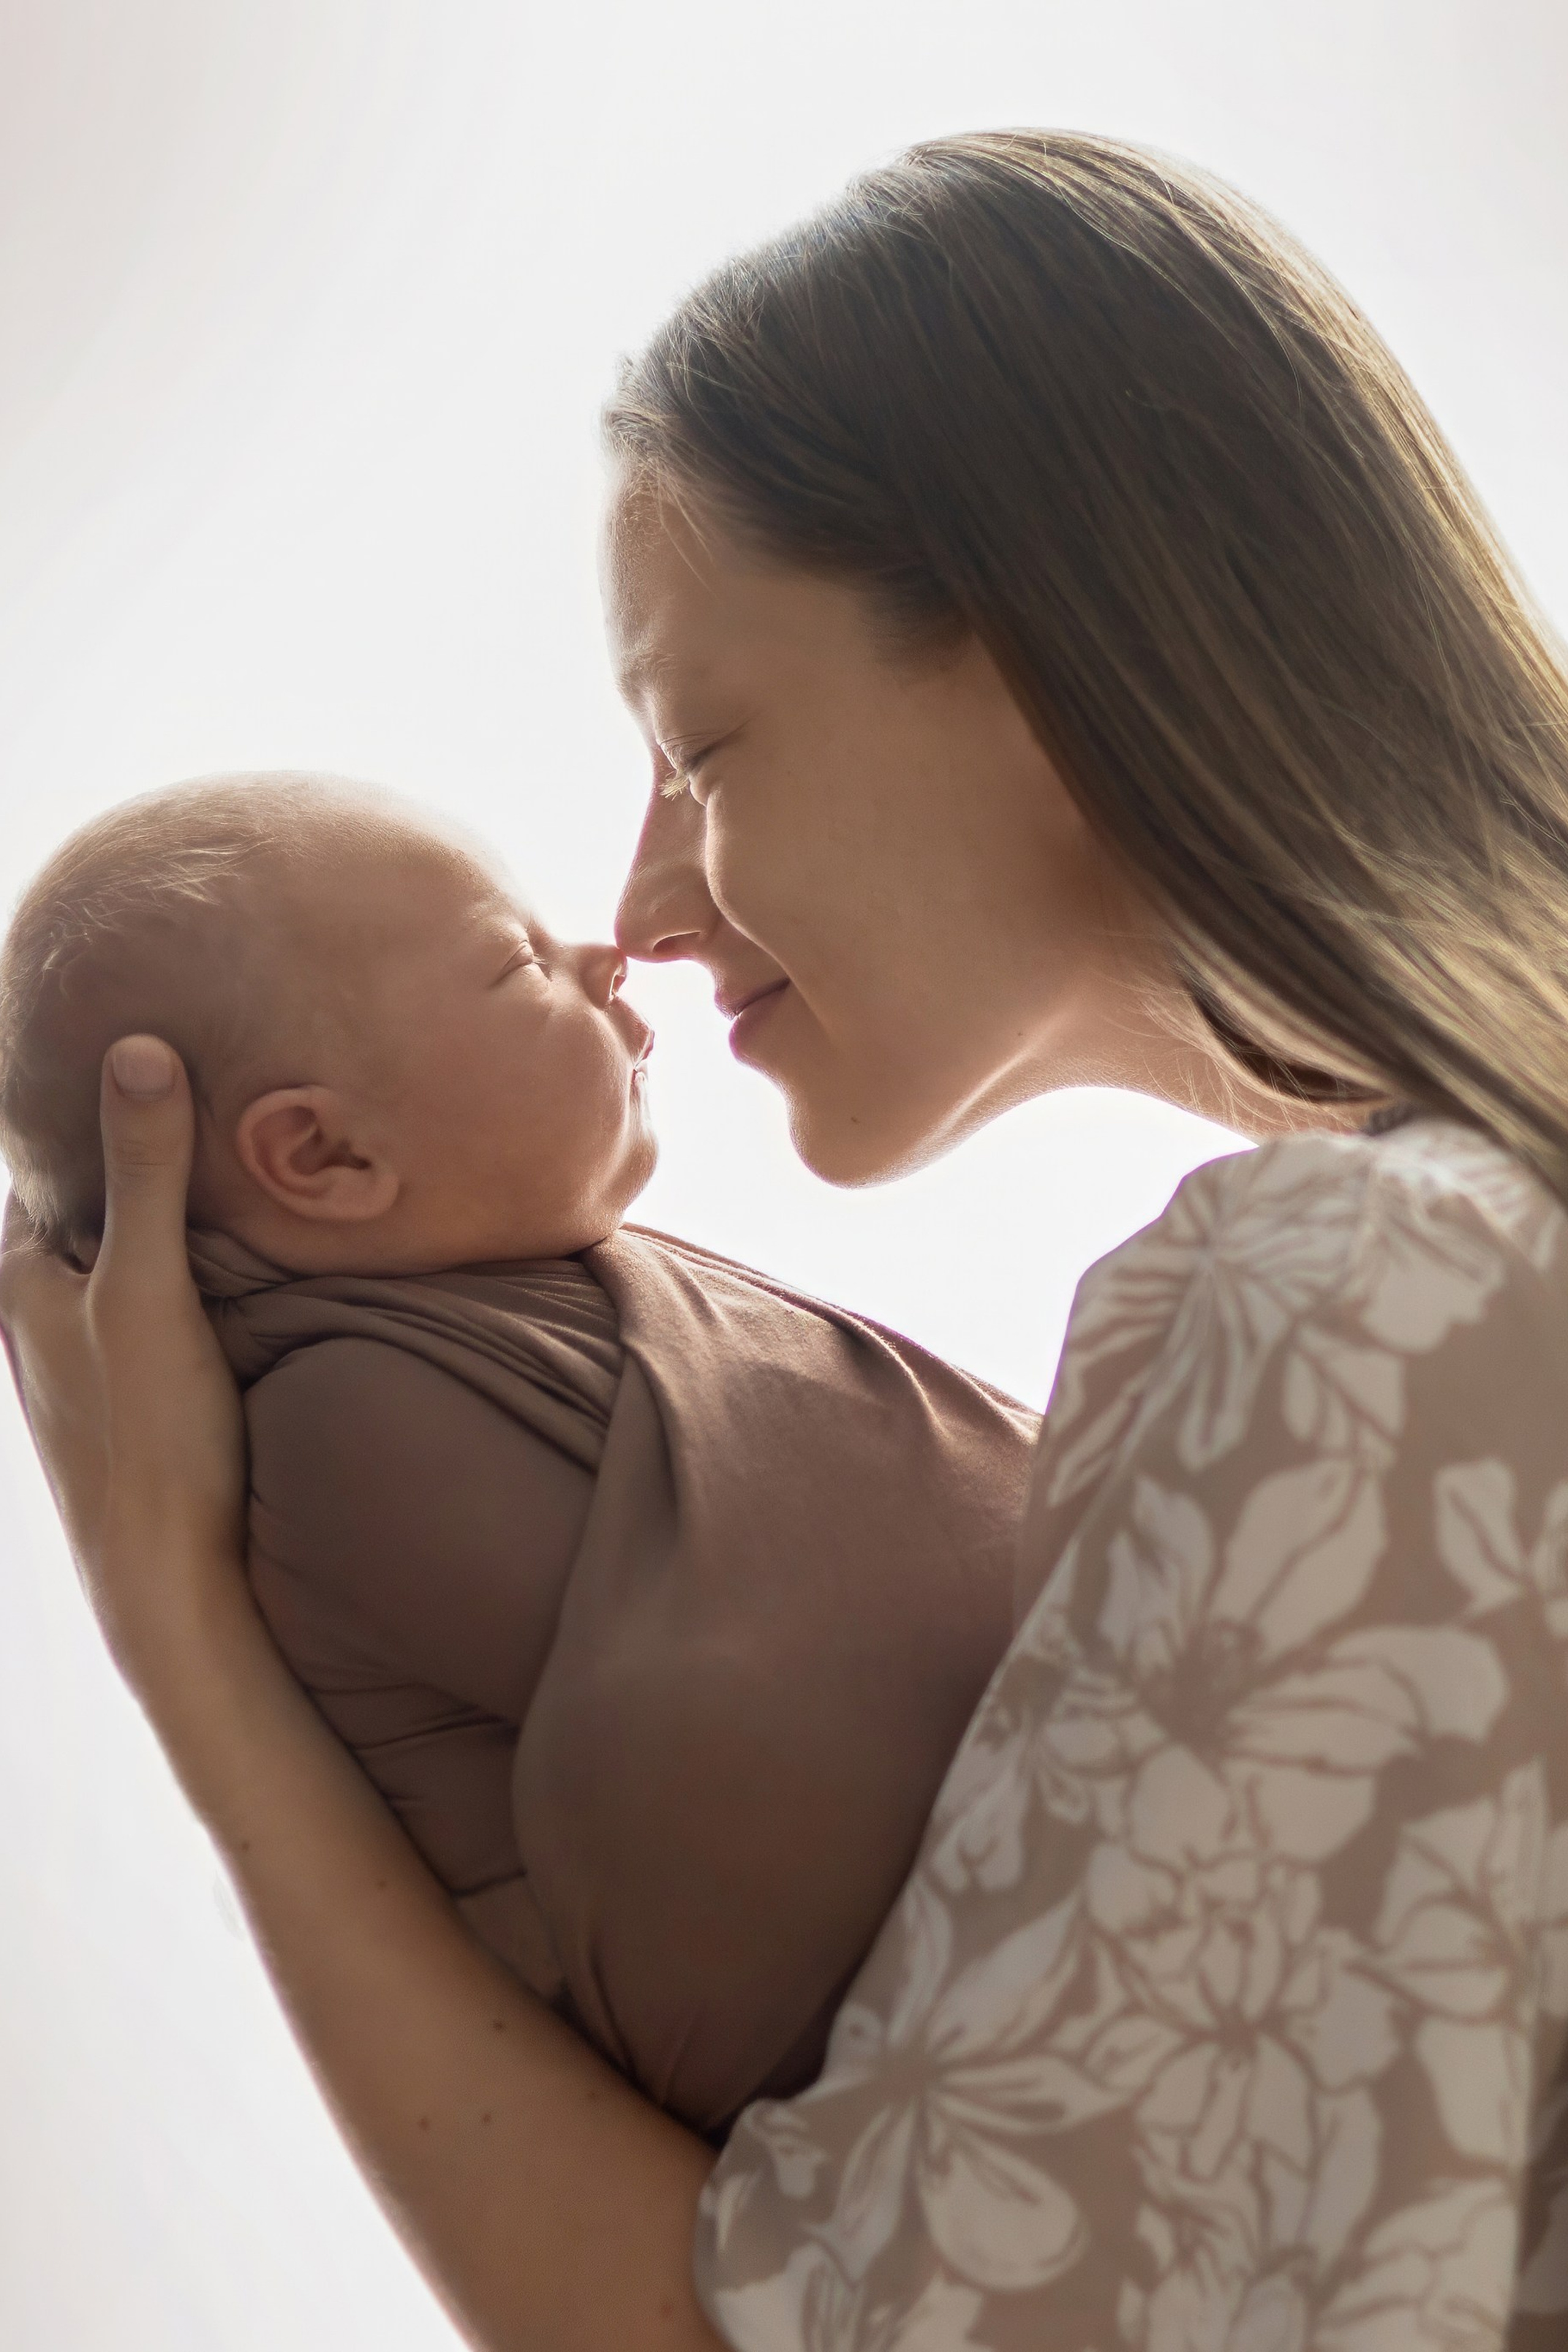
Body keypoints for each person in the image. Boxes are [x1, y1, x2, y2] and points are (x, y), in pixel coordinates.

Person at [5, 126, 1568, 2349]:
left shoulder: (1351, 1314)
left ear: (1040, 656)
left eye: (701, 746)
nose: (640, 906)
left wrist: (182, 1634)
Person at [0, 773, 1035, 2136]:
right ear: (324, 1153)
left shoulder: (544, 1288)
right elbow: (767, 1716)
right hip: (956, 2050)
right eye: (517, 961)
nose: (602, 956)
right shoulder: (345, 1421)